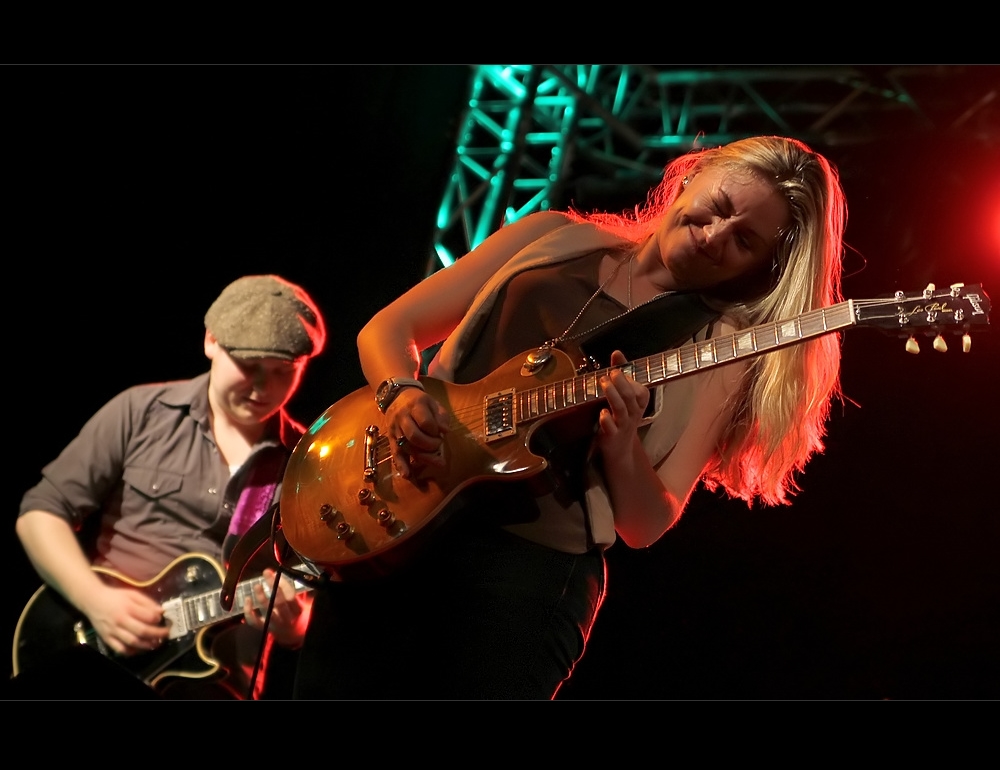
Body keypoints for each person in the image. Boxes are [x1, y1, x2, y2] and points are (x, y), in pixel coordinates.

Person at [290, 135, 847, 699]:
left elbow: (647, 523)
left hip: (524, 578)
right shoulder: (550, 235)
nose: (715, 236)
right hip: (406, 518)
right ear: (691, 177)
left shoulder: (714, 350)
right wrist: (402, 394)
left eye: (745, 240)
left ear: (758, 267)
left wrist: (623, 442)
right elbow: (387, 330)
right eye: (722, 205)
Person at [13, 274, 327, 699]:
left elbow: (307, 594)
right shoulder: (140, 411)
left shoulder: (304, 467)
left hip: (216, 688)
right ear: (211, 341)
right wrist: (95, 601)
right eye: (249, 367)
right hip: (95, 664)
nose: (262, 388)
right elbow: (40, 514)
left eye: (282, 372)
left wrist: (293, 628)